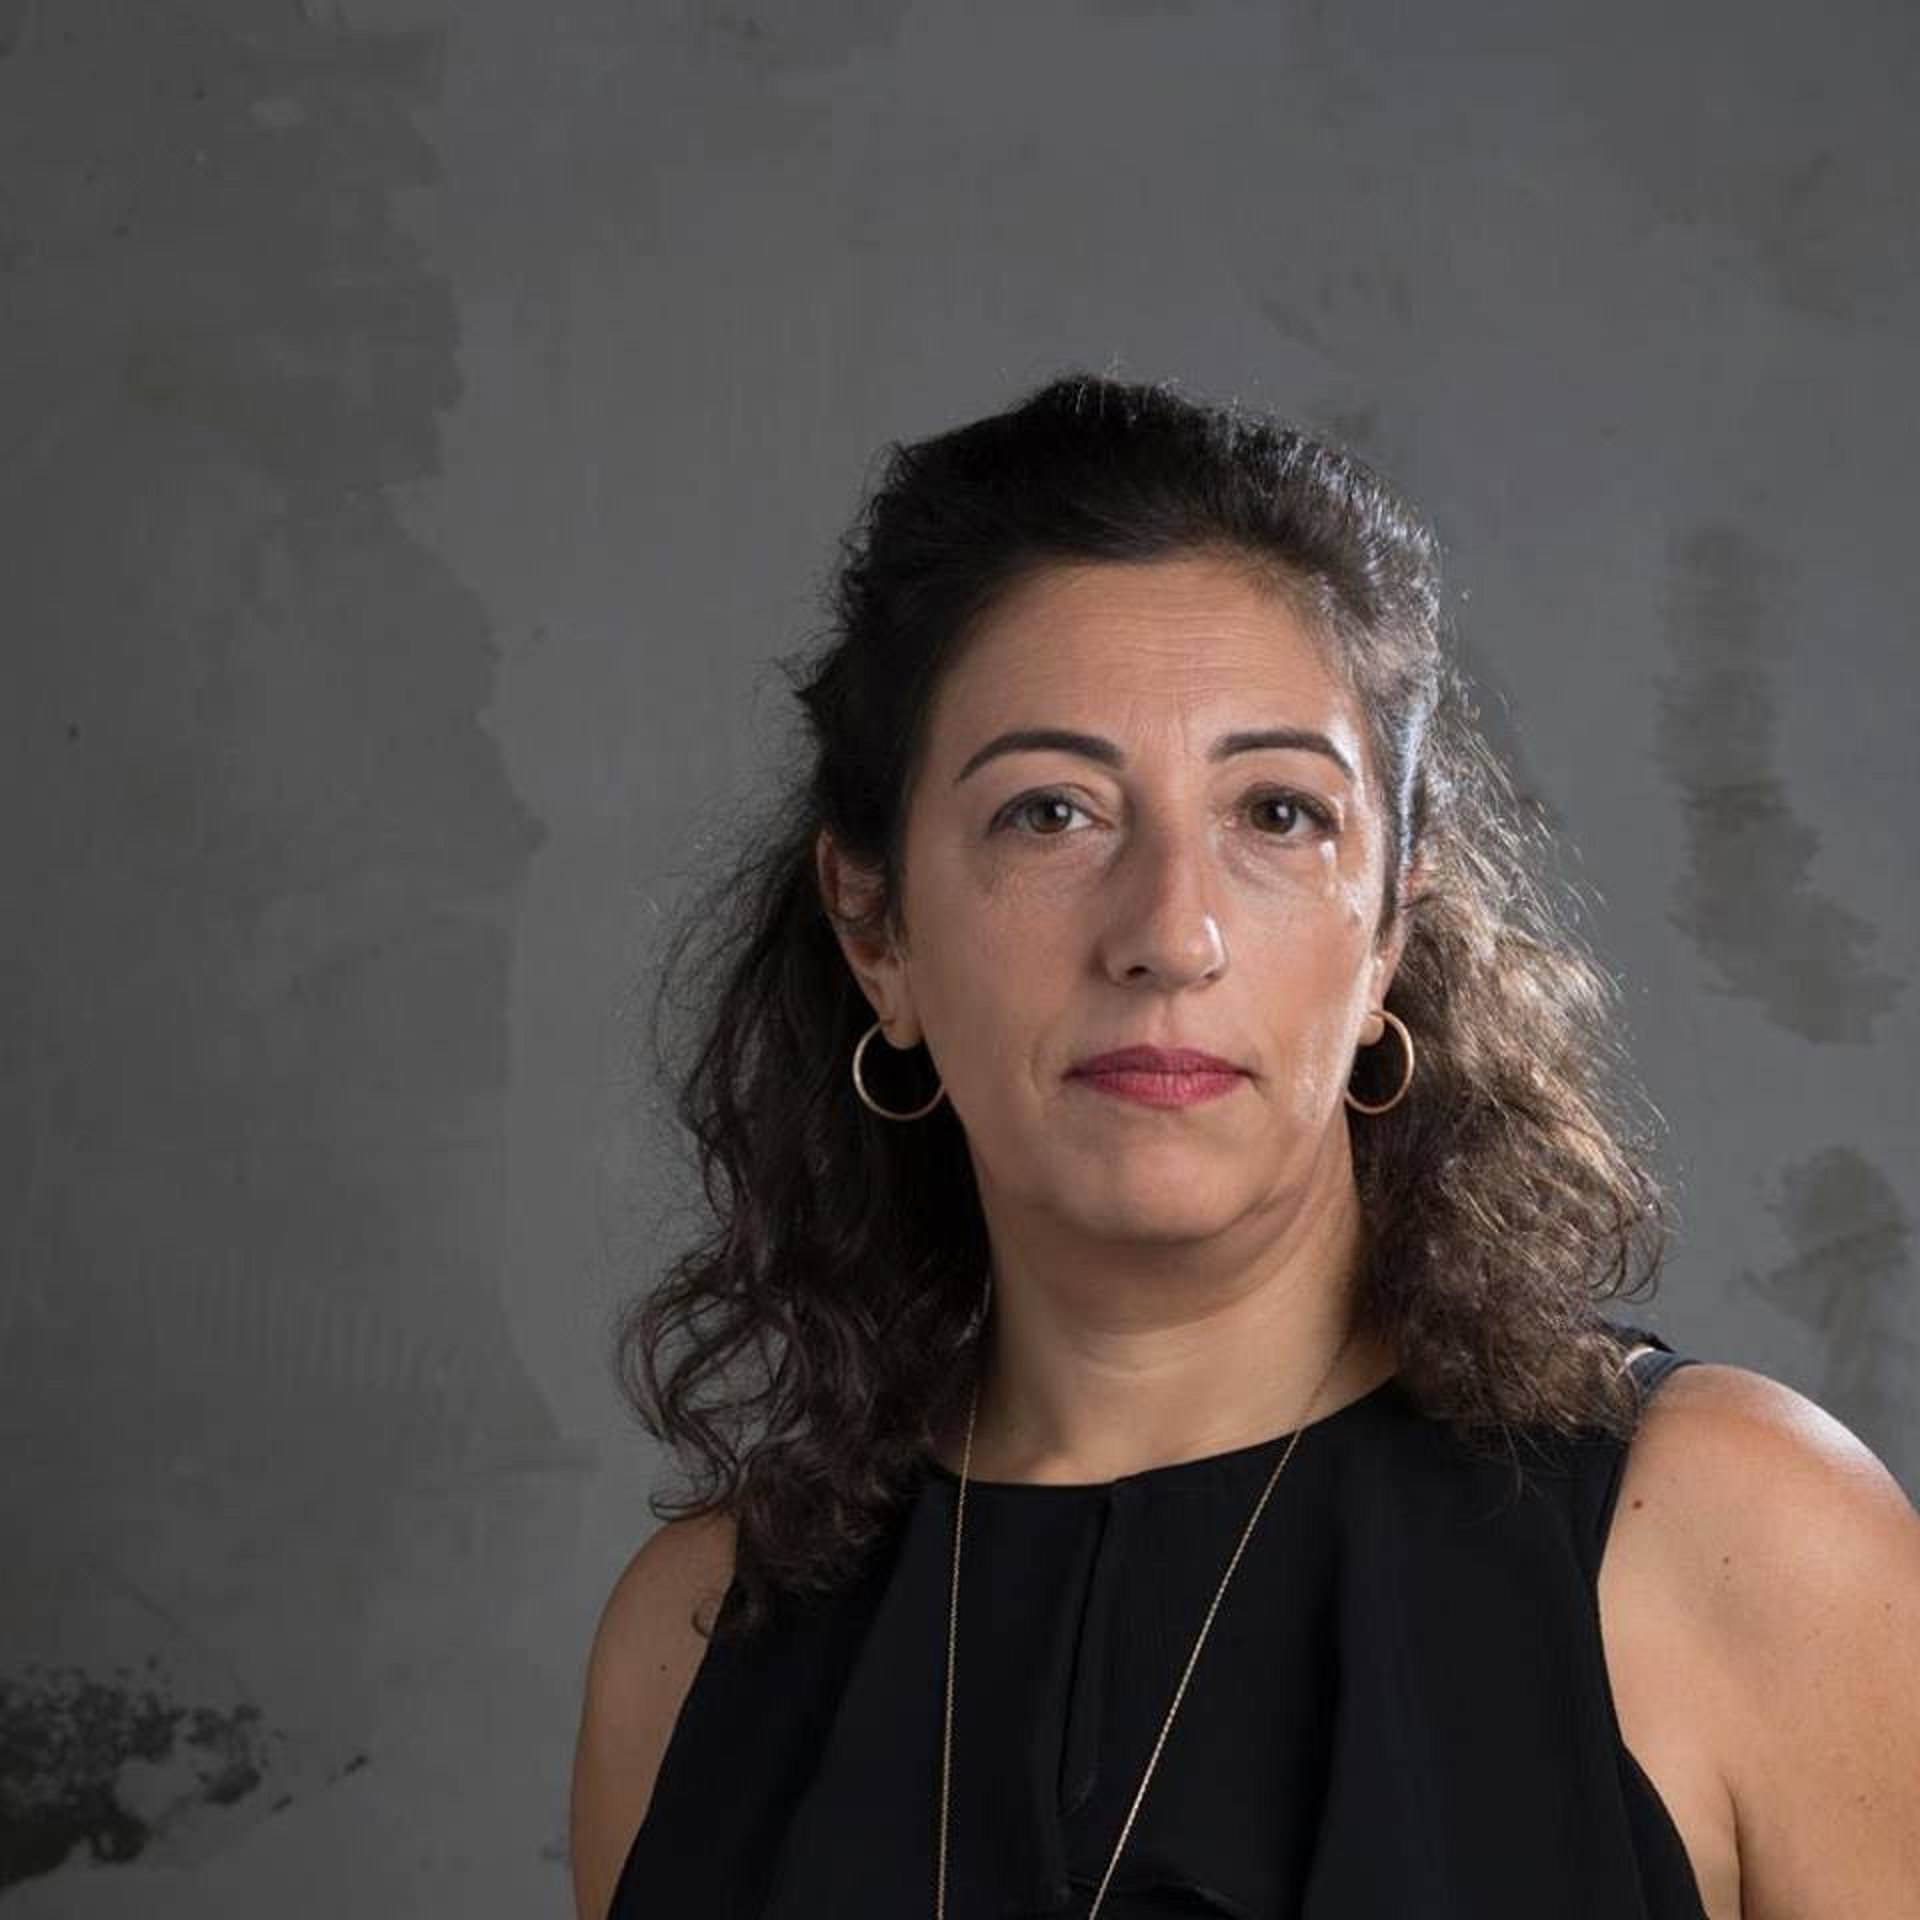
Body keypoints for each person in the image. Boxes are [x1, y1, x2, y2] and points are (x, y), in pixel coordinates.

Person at [568, 373, 1920, 1920]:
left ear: (1390, 927)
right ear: (877, 930)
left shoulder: (1741, 1544)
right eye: (1051, 814)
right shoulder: (690, 1648)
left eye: (1278, 814)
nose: (1170, 933)